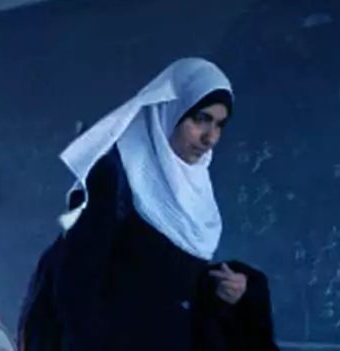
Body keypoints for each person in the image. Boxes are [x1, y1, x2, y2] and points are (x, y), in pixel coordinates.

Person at [19, 58, 278, 351]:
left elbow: (161, 277)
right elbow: (77, 284)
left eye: (219, 124)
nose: (210, 138)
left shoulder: (193, 184)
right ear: (169, 111)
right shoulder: (114, 174)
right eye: (200, 119)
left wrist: (228, 290)